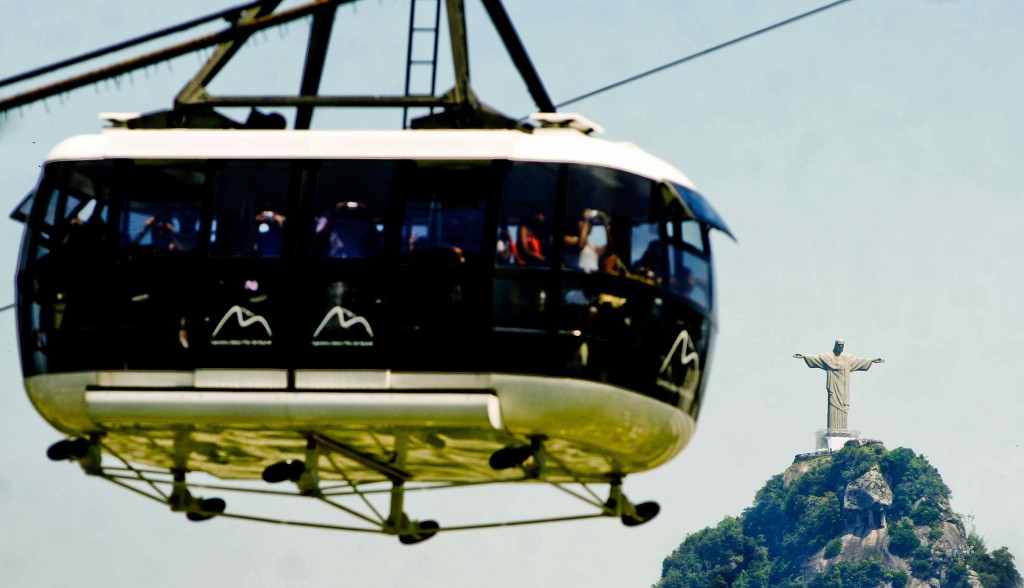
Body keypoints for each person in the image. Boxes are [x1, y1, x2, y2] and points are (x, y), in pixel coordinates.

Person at [794, 338, 884, 431]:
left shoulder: (848, 358)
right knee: (833, 404)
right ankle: (832, 429)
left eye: (842, 345)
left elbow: (859, 361)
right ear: (835, 345)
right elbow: (817, 358)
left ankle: (843, 429)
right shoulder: (828, 357)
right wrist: (804, 356)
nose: (840, 347)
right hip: (833, 385)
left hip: (844, 387)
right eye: (839, 345)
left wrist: (871, 360)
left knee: (843, 407)